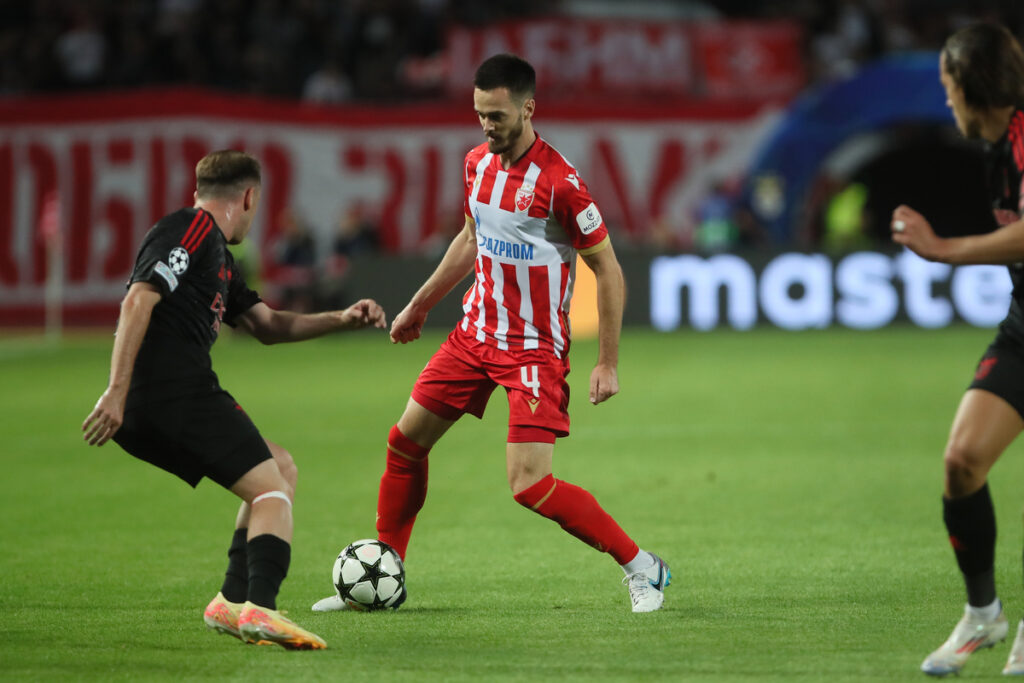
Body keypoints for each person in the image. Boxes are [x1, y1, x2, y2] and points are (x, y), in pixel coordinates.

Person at [312, 54, 670, 614]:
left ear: (528, 110)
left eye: (497, 115)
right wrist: (419, 304)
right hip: (474, 334)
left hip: (532, 349)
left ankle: (642, 566)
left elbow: (609, 270)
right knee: (405, 443)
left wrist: (607, 361)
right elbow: (470, 238)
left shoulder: (561, 183)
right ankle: (384, 572)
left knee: (529, 485)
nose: (486, 125)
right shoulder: (476, 163)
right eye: (479, 113)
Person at [82, 150, 387, 650]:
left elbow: (267, 326)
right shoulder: (193, 229)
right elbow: (139, 297)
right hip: (170, 394)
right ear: (249, 197)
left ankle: (230, 599)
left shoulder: (219, 256)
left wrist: (341, 318)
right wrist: (116, 392)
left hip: (167, 397)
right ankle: (261, 610)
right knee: (271, 493)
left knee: (279, 469)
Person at [890, 23, 1024, 677]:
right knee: (963, 460)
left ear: (972, 89)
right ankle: (985, 614)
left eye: (949, 90)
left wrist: (945, 249)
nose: (946, 104)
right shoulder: (999, 145)